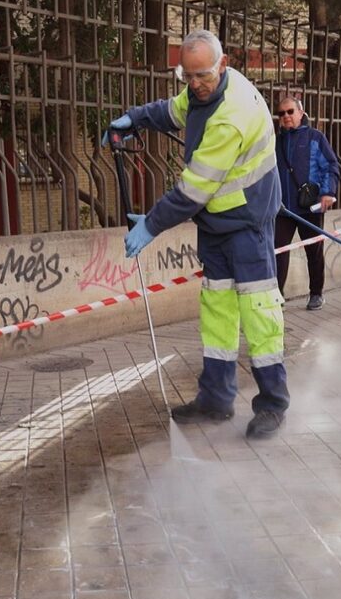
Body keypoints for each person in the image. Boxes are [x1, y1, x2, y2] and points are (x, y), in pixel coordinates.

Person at [107, 29, 289, 439]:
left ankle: (273, 405)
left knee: (259, 314)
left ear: (222, 66)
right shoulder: (201, 89)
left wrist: (151, 225)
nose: (194, 85)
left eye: (202, 76)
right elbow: (174, 110)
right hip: (217, 223)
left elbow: (193, 190)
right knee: (218, 312)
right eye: (187, 77)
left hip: (247, 223)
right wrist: (136, 118)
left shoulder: (232, 115)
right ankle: (216, 400)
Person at [274, 97, 340, 310]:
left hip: (309, 207)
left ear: (301, 113)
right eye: (281, 113)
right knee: (278, 251)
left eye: (290, 111)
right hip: (283, 209)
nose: (285, 116)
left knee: (314, 251)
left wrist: (328, 192)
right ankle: (277, 296)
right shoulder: (276, 142)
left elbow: (331, 166)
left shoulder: (315, 137)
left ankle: (316, 293)